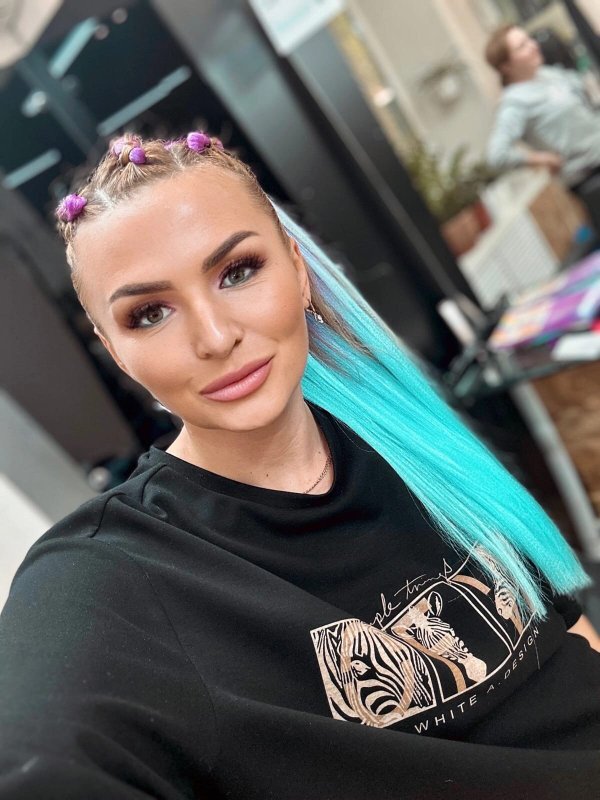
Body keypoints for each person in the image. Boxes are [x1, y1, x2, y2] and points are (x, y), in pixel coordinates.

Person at [0, 131, 599, 800]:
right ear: (116, 351)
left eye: (237, 272)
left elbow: (566, 630)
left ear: (297, 268)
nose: (215, 336)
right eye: (150, 313)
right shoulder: (114, 575)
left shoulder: (406, 432)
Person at [485, 24, 600, 197]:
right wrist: (539, 159)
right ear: (506, 66)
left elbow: (587, 92)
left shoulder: (547, 74)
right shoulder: (514, 104)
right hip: (589, 177)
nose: (533, 45)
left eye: (529, 40)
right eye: (522, 46)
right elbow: (497, 155)